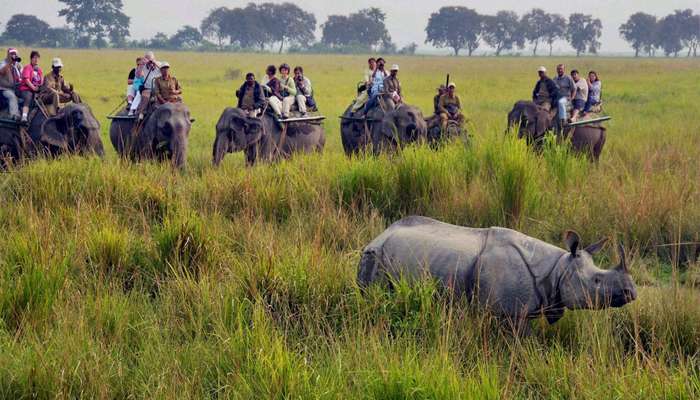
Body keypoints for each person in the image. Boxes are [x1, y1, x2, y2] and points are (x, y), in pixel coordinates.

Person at [19, 50, 43, 123]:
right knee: (28, 97)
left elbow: (41, 80)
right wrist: (33, 88)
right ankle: (24, 116)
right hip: (26, 89)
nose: (36, 60)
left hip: (36, 89)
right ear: (31, 59)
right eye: (35, 58)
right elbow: (26, 80)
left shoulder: (39, 70)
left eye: (37, 58)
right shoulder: (28, 67)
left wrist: (39, 88)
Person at [136, 51, 161, 118]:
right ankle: (141, 114)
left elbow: (165, 72)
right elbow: (138, 76)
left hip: (159, 89)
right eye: (148, 60)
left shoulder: (159, 64)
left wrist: (154, 63)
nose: (150, 63)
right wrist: (141, 64)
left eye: (151, 60)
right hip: (148, 89)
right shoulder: (143, 66)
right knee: (145, 97)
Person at [0, 48, 22, 119]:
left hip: (16, 87)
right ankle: (14, 115)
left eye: (15, 54)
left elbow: (22, 74)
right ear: (8, 55)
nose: (14, 55)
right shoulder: (3, 63)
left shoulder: (17, 65)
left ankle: (26, 115)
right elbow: (1, 71)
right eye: (12, 54)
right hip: (4, 88)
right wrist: (9, 63)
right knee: (12, 96)